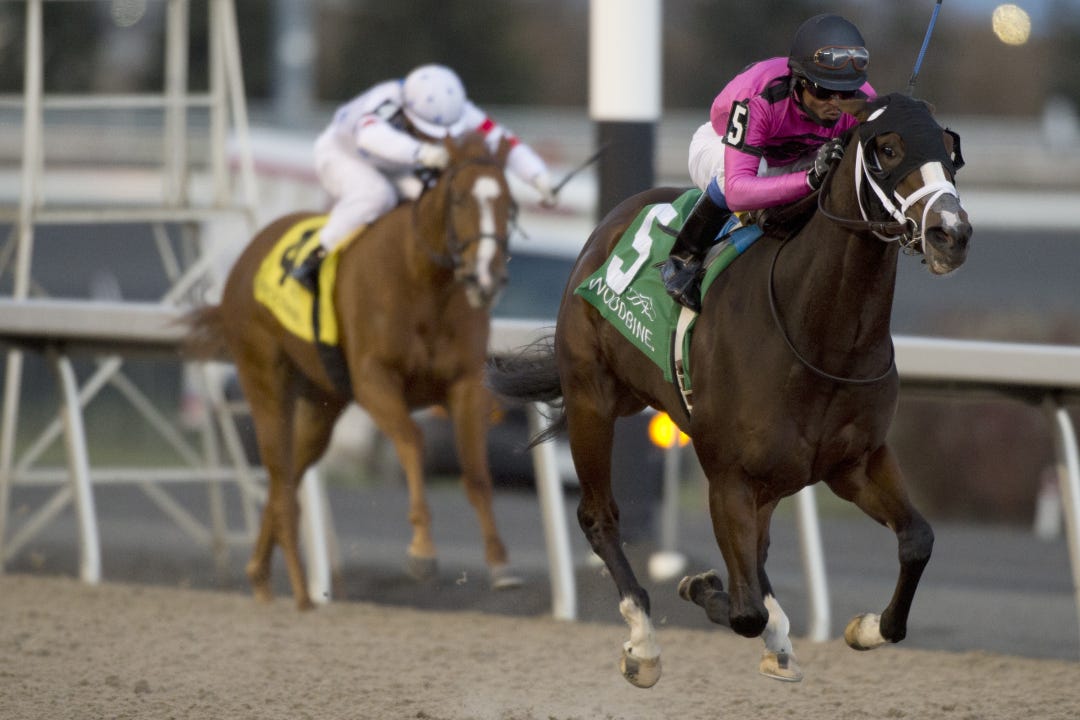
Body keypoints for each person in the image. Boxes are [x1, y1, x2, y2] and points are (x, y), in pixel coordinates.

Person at [661, 13, 876, 312]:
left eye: (847, 93)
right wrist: (809, 180)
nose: (836, 104)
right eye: (825, 91)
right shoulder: (758, 97)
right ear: (800, 81)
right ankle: (683, 257)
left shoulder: (863, 103)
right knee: (755, 173)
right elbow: (737, 190)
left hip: (795, 158)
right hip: (725, 149)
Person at [290, 63, 557, 290]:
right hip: (344, 155)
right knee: (376, 195)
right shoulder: (387, 100)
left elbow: (503, 139)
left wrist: (538, 177)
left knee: (438, 198)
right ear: (409, 112)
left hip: (400, 166)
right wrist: (422, 152)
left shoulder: (461, 110)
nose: (434, 137)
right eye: (428, 131)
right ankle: (316, 256)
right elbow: (369, 136)